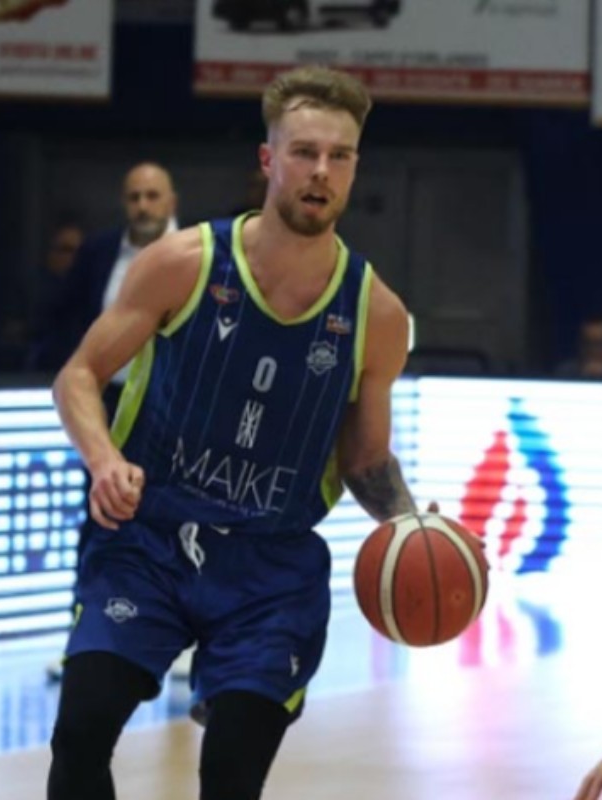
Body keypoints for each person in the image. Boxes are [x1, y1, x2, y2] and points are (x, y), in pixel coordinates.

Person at [46, 64, 423, 800]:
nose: (321, 172)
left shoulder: (376, 314)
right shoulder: (183, 263)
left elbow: (366, 460)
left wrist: (413, 527)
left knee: (230, 776)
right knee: (82, 731)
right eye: (304, 152)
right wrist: (103, 459)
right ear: (268, 159)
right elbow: (79, 376)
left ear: (354, 167)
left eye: (339, 156)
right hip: (149, 540)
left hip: (270, 568)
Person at [44, 162, 194, 680]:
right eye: (134, 196)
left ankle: (184, 641)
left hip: (178, 405)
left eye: (153, 195)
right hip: (109, 403)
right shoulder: (99, 252)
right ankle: (82, 639)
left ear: (172, 201)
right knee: (100, 517)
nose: (143, 206)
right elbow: (65, 317)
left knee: (182, 523)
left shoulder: (200, 255)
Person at [26, 220, 85, 372]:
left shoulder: (91, 297)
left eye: (80, 252)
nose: (74, 257)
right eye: (66, 250)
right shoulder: (32, 292)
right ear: (50, 254)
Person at [554, 315, 602, 379]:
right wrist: (583, 376)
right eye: (587, 343)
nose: (594, 350)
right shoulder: (564, 372)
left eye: (599, 344)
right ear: (579, 344)